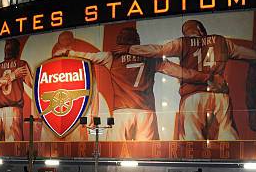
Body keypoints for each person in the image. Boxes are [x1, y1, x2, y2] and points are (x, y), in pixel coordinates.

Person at [55, 26, 224, 141]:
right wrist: (206, 77)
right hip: (146, 112)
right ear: (136, 42)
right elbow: (182, 72)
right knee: (148, 155)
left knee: (114, 155)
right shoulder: (152, 59)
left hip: (121, 112)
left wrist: (68, 52)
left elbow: (89, 56)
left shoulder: (111, 56)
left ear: (120, 42)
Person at [114, 19, 256, 141]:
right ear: (202, 31)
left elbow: (160, 50)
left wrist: (130, 49)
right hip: (220, 94)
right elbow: (254, 56)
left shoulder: (183, 43)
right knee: (228, 133)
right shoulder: (222, 42)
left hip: (193, 95)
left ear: (186, 32)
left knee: (192, 138)